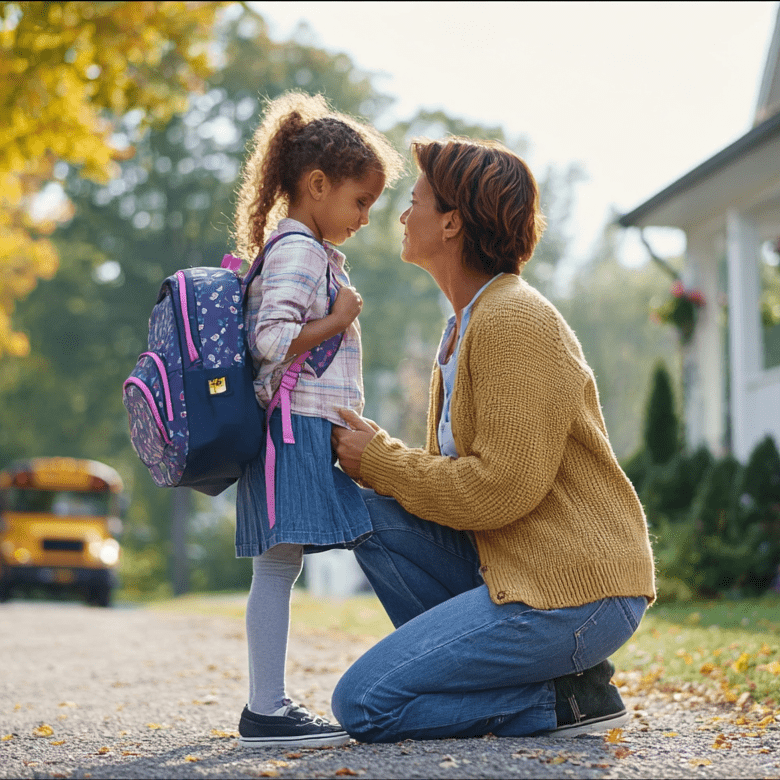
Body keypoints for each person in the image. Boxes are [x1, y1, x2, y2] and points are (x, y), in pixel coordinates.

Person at [330, 136, 656, 743]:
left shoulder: (512, 320)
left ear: (452, 222)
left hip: (577, 591)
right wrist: (377, 464)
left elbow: (500, 489)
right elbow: (458, 492)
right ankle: (528, 684)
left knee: (365, 704)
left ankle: (563, 703)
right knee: (364, 511)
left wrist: (383, 460)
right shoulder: (464, 326)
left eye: (416, 201)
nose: (403, 215)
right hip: (518, 570)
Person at [230, 91, 403, 748]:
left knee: (283, 564)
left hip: (297, 426)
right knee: (284, 563)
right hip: (290, 429)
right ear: (318, 184)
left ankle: (266, 706)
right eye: (360, 201)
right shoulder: (299, 249)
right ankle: (266, 710)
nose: (364, 217)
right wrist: (339, 319)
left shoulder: (301, 246)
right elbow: (271, 340)